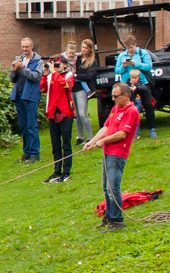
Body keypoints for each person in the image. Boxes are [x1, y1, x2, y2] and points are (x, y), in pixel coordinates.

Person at [86, 81, 140, 231]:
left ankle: (117, 220)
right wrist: (92, 142)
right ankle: (109, 216)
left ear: (126, 95)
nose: (113, 99)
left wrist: (103, 141)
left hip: (117, 154)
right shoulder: (116, 108)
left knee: (113, 188)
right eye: (113, 96)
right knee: (106, 187)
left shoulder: (131, 111)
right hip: (107, 152)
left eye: (116, 96)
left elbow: (122, 134)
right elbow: (107, 127)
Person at [113, 33, 156, 139]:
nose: (129, 50)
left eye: (131, 47)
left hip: (142, 83)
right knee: (129, 108)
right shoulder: (122, 55)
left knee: (148, 106)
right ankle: (132, 131)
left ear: (135, 44)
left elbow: (149, 66)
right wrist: (123, 66)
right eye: (127, 48)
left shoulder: (143, 53)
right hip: (127, 85)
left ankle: (152, 129)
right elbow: (117, 70)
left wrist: (135, 64)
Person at [42, 55, 76, 183]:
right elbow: (43, 88)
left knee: (66, 143)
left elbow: (67, 86)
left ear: (65, 65)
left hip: (65, 112)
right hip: (52, 112)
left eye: (58, 65)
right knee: (55, 144)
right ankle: (57, 171)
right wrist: (45, 75)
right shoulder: (51, 75)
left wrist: (54, 73)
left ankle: (66, 172)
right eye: (54, 65)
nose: (55, 67)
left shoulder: (69, 75)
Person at [9, 39, 43, 162]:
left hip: (31, 96)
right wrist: (13, 71)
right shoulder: (19, 59)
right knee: (23, 126)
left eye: (27, 46)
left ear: (32, 46)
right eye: (23, 46)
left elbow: (36, 77)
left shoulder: (38, 61)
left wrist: (23, 68)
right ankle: (26, 152)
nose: (24, 49)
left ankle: (35, 153)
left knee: (31, 126)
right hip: (19, 96)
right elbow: (12, 80)